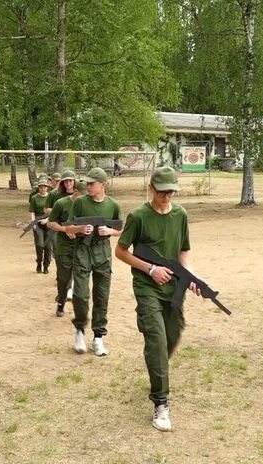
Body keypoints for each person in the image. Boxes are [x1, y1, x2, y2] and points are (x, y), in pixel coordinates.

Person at [114, 166, 200, 432]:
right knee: (157, 340)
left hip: (173, 288)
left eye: (171, 190)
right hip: (147, 287)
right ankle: (160, 403)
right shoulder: (139, 216)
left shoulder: (180, 214)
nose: (167, 195)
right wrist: (150, 269)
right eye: (162, 191)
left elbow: (183, 250)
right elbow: (120, 251)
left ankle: (156, 365)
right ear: (151, 189)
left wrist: (190, 275)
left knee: (172, 336)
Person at [63, 167, 121, 356]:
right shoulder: (80, 203)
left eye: (91, 183)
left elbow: (120, 228)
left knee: (101, 296)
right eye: (86, 183)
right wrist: (80, 229)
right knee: (80, 295)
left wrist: (109, 231)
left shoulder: (113, 205)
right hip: (82, 251)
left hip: (103, 252)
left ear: (102, 185)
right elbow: (68, 228)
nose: (87, 186)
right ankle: (79, 328)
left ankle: (98, 337)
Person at [47, 180, 87, 317]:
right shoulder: (61, 203)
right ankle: (61, 303)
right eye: (83, 194)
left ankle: (79, 309)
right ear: (75, 191)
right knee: (63, 278)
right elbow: (50, 223)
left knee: (81, 278)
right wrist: (65, 229)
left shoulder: (87, 205)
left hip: (81, 246)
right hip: (64, 247)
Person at [28, 176, 52, 274]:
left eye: (44, 187)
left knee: (48, 246)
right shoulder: (34, 198)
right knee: (39, 244)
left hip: (48, 223)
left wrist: (47, 220)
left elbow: (54, 211)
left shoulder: (51, 197)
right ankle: (39, 262)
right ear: (38, 188)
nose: (43, 189)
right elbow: (32, 211)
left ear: (47, 187)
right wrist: (33, 222)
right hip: (38, 223)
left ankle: (46, 265)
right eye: (41, 187)